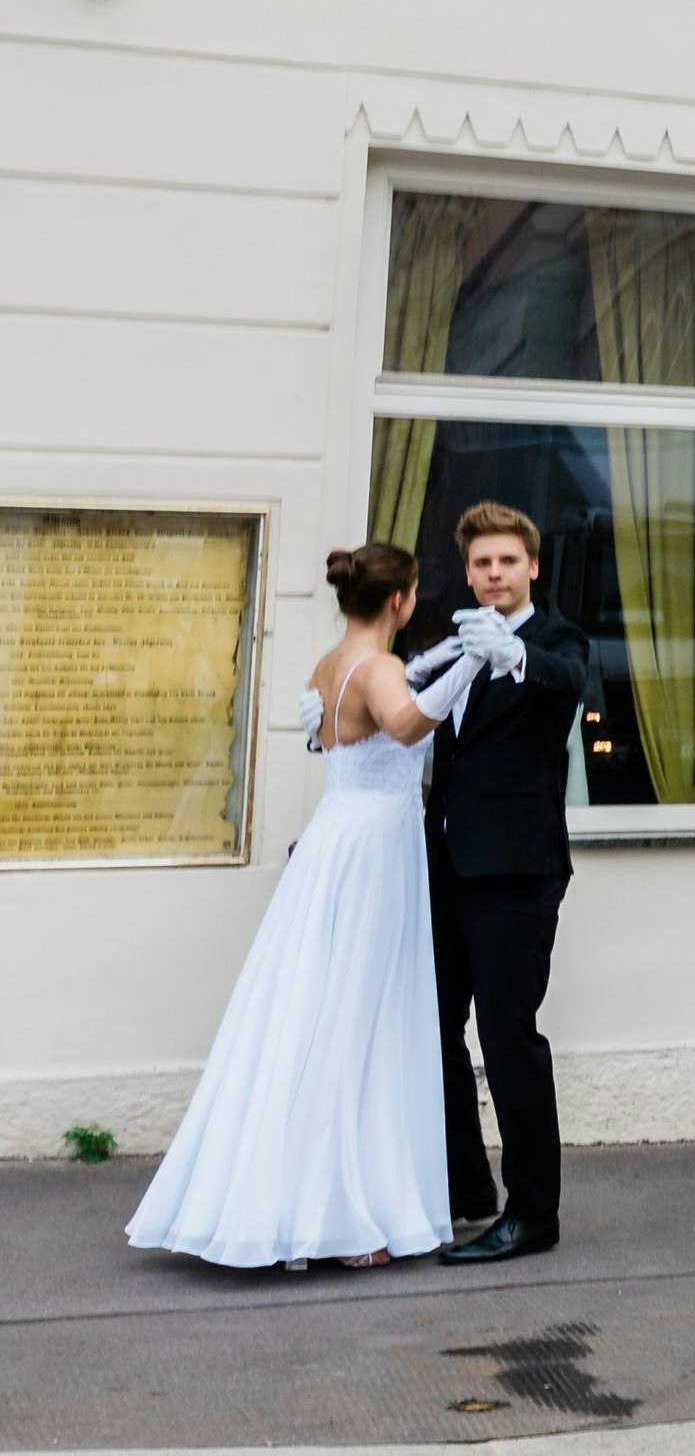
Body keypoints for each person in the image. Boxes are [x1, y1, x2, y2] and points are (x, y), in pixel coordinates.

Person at [129, 543, 488, 1267]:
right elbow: (408, 725)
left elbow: (358, 724)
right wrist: (474, 663)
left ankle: (313, 1195)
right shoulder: (379, 666)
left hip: (340, 835)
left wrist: (444, 655)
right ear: (400, 601)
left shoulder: (331, 661)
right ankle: (343, 1214)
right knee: (357, 1012)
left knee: (320, 1006)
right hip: (372, 849)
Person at [421, 502, 592, 1264]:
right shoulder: (453, 640)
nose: (494, 574)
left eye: (507, 563)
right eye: (482, 564)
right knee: (433, 1029)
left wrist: (513, 657)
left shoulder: (554, 642)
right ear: (468, 571)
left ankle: (534, 1212)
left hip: (518, 873)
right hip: (446, 867)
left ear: (532, 568)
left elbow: (571, 686)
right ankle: (466, 1190)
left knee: (508, 1037)